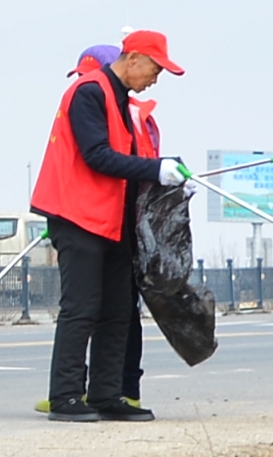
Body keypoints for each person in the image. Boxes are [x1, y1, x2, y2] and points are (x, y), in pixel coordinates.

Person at [27, 31, 190, 421]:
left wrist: (163, 177)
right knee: (81, 308)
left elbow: (129, 159)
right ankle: (66, 395)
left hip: (112, 218)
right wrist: (155, 168)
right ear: (132, 59)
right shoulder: (89, 92)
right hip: (77, 216)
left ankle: (107, 393)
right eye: (155, 68)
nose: (155, 78)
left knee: (118, 309)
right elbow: (97, 155)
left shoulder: (121, 100)